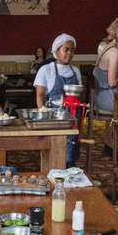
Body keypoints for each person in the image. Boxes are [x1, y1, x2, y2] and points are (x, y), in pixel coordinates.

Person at [34, 33, 83, 167]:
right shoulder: (46, 70)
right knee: (53, 152)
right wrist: (43, 113)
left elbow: (78, 96)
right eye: (66, 49)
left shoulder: (76, 71)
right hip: (53, 118)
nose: (69, 53)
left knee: (70, 155)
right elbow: (40, 95)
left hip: (72, 117)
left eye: (72, 50)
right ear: (57, 50)